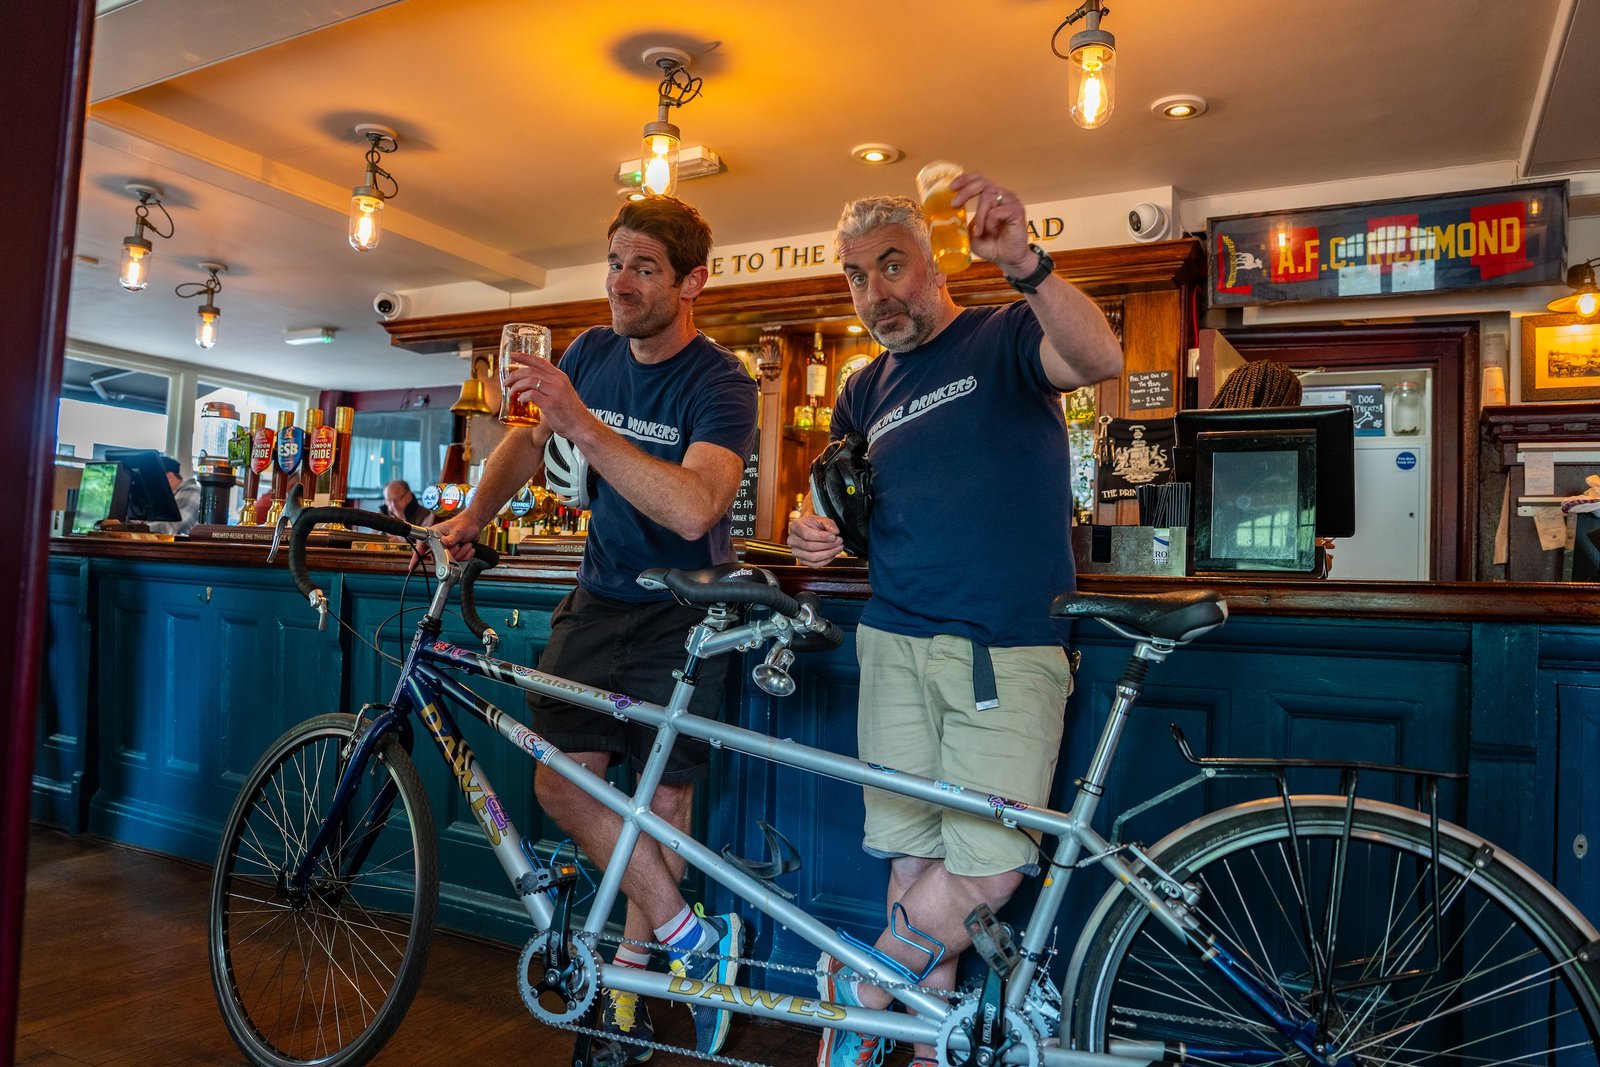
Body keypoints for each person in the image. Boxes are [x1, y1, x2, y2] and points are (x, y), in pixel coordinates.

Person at [787, 177, 1123, 1067]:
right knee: (909, 855)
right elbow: (851, 510)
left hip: (1005, 646)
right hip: (892, 639)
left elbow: (1098, 359)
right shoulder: (861, 391)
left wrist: (1024, 262)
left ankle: (858, 986)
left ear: (935, 266)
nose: (876, 293)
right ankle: (925, 1043)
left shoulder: (1004, 333)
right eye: (858, 277)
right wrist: (814, 534)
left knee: (990, 865)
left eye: (892, 265)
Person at [433, 195, 758, 1067]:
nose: (621, 282)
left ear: (692, 282)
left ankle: (626, 991)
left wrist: (585, 421)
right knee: (560, 786)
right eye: (615, 261)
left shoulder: (722, 381)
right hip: (600, 597)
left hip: (688, 612)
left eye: (645, 266)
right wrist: (472, 515)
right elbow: (528, 443)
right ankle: (697, 937)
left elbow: (696, 508)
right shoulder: (590, 354)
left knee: (663, 807)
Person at [149, 456, 200, 536]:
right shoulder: (166, 497)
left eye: (154, 479)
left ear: (169, 477)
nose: (152, 485)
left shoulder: (191, 491)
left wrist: (140, 528)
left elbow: (175, 527)